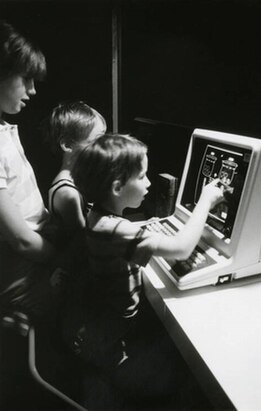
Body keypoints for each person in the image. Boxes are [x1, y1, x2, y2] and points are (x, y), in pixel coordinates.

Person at [63, 133, 224, 408]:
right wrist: (205, 202)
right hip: (116, 346)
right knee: (189, 373)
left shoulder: (98, 215)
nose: (149, 182)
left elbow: (127, 238)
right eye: (142, 176)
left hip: (108, 329)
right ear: (117, 187)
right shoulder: (117, 230)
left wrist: (150, 227)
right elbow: (182, 248)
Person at [0, 20, 59, 322]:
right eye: (26, 79)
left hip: (32, 253)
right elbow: (21, 239)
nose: (33, 90)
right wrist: (65, 258)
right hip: (21, 270)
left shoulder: (4, 129)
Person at [46, 100, 107, 237]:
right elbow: (83, 243)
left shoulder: (78, 180)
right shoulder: (67, 193)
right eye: (97, 140)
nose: (104, 147)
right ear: (67, 145)